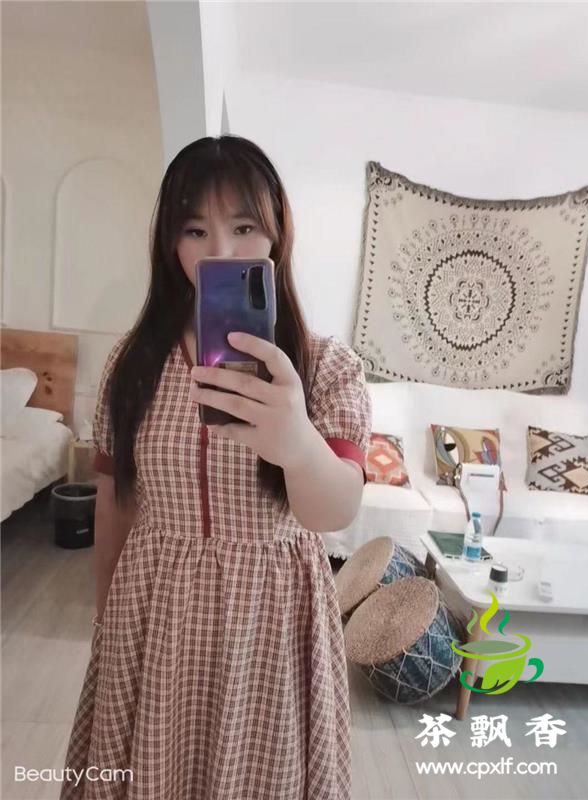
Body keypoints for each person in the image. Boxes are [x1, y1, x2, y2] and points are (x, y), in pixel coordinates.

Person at [60, 135, 372, 800]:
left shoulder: (324, 366)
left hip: (272, 622)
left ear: (277, 235)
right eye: (195, 229)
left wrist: (297, 442)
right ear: (169, 242)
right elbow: (116, 501)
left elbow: (335, 511)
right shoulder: (133, 363)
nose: (220, 251)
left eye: (244, 227)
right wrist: (105, 623)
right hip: (153, 615)